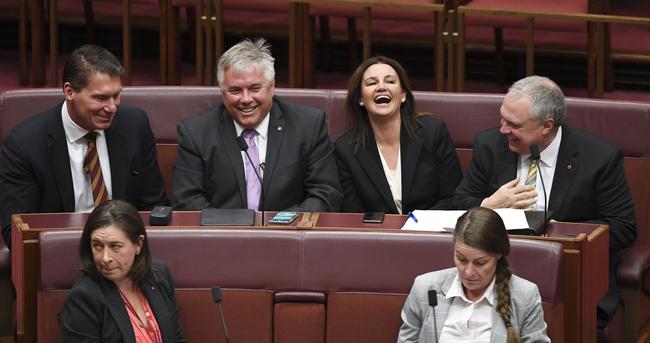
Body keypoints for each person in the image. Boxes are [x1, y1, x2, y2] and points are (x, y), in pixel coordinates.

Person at [450, 75, 636, 326]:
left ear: (546, 126)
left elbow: (623, 228)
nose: (503, 129)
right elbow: (456, 204)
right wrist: (488, 206)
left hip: (565, 275)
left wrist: (557, 232)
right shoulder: (490, 144)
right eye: (502, 118)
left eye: (514, 124)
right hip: (492, 272)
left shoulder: (599, 158)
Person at [0, 44, 168, 249]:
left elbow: (155, 205)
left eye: (116, 95)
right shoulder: (25, 144)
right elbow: (17, 232)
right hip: (62, 256)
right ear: (69, 91)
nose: (112, 107)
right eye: (100, 98)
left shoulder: (135, 125)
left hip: (126, 256)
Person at [172, 38, 342, 212]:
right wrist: (233, 228)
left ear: (272, 86)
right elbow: (186, 200)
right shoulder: (196, 133)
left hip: (286, 234)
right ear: (222, 92)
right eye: (235, 90)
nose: (246, 99)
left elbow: (326, 194)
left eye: (255, 88)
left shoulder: (308, 125)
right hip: (222, 235)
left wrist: (281, 225)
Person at [394, 207, 551, 343]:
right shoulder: (426, 288)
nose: (468, 272)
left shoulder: (524, 296)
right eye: (461, 259)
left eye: (480, 263)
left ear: (498, 255)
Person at [58, 200, 196, 343]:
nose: (105, 258)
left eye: (115, 246)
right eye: (97, 246)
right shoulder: (84, 298)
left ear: (138, 244)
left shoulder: (158, 275)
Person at [335, 56, 462, 213]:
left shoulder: (433, 132)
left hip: (429, 232)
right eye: (372, 83)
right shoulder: (346, 149)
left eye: (390, 81)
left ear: (403, 94)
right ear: (361, 99)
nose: (381, 87)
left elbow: (454, 198)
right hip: (376, 235)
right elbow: (352, 213)